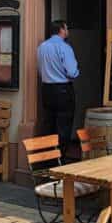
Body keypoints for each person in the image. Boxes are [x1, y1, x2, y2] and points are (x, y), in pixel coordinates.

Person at [37, 20, 79, 154]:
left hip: (46, 90)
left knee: (48, 125)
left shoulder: (42, 47)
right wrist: (78, 71)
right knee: (63, 127)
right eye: (66, 28)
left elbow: (40, 69)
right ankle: (60, 160)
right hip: (62, 90)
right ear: (61, 30)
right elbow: (72, 72)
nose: (68, 31)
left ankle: (48, 160)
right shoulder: (65, 47)